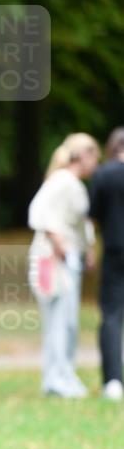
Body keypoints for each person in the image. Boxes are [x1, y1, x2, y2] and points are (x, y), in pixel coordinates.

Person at [27, 133, 99, 397]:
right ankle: (56, 378)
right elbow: (39, 215)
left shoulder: (72, 184)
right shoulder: (63, 182)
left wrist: (85, 250)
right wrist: (63, 249)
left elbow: (79, 225)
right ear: (84, 155)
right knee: (58, 319)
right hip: (51, 261)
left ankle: (63, 374)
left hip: (66, 261)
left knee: (67, 321)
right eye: (95, 157)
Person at [90, 126, 124, 400]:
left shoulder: (105, 174)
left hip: (115, 249)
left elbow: (93, 215)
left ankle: (113, 380)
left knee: (111, 315)